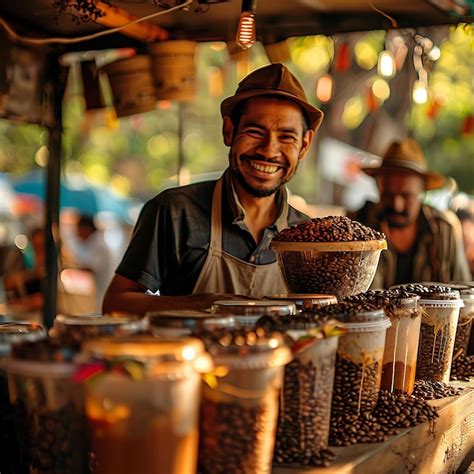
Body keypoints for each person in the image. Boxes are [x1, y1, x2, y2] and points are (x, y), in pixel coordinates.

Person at [103, 63, 323, 315]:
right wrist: (200, 305)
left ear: (304, 145)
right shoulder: (175, 212)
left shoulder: (307, 236)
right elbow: (115, 304)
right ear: (229, 131)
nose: (269, 150)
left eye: (286, 137)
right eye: (254, 131)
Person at [351, 138, 471, 288]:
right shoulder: (356, 227)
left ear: (422, 190)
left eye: (406, 195)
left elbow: (463, 292)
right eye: (388, 195)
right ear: (378, 186)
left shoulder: (443, 230)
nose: (397, 205)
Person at [65, 214, 115, 311]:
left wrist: (68, 266)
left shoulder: (98, 243)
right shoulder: (93, 242)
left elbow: (89, 267)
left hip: (103, 292)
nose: (76, 232)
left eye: (78, 228)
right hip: (100, 291)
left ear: (86, 228)